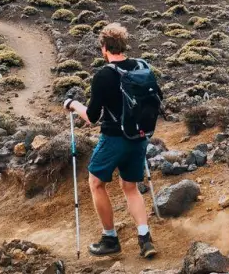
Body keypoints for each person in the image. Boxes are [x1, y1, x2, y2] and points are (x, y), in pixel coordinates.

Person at [64, 23, 159, 258]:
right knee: (130, 187)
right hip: (140, 136)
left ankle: (110, 238)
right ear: (124, 46)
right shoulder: (141, 66)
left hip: (115, 138)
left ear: (104, 48)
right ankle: (145, 239)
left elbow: (93, 117)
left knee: (96, 182)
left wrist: (74, 105)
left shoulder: (104, 75)